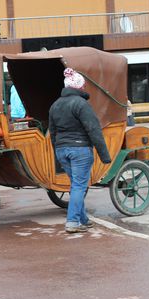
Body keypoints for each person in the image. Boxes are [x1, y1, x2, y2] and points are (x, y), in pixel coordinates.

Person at [48, 68, 112, 233]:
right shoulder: (81, 104)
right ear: (79, 87)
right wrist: (104, 155)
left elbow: (52, 131)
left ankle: (83, 220)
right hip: (80, 150)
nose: (84, 88)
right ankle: (72, 222)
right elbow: (93, 129)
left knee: (76, 185)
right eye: (83, 85)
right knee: (79, 186)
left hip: (62, 150)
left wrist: (58, 149)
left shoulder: (55, 105)